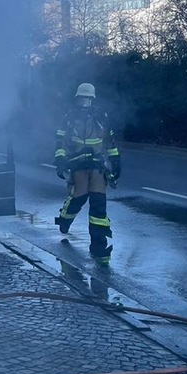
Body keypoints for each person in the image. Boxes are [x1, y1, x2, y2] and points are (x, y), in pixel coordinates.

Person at [53, 82, 121, 263]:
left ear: (93, 100)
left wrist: (115, 161)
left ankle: (100, 250)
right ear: (77, 99)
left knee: (98, 205)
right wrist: (60, 159)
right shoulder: (68, 118)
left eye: (88, 99)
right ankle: (65, 220)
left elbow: (110, 141)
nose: (85, 102)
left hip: (97, 165)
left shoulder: (101, 117)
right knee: (79, 197)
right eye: (82, 99)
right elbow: (60, 141)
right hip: (77, 164)